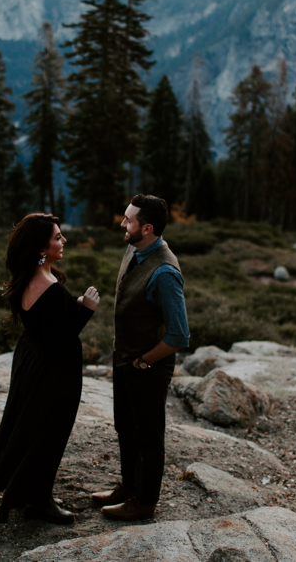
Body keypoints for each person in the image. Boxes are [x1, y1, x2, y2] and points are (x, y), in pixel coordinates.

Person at [0, 213, 100, 524]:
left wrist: (73, 304)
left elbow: (47, 323)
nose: (64, 241)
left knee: (30, 427)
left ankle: (28, 490)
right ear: (41, 248)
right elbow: (61, 339)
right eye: (58, 237)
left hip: (32, 362)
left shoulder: (28, 277)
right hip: (54, 372)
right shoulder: (50, 286)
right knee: (50, 433)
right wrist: (86, 310)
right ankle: (38, 501)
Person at [92, 194, 189, 521]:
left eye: (128, 220)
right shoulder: (135, 247)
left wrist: (146, 361)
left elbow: (179, 334)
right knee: (125, 426)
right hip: (127, 359)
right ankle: (128, 486)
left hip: (147, 365)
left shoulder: (164, 272)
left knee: (148, 435)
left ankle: (145, 502)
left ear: (146, 228)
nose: (122, 223)